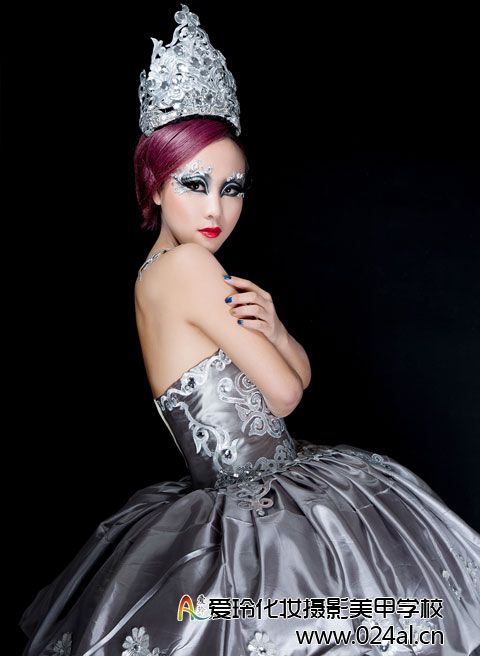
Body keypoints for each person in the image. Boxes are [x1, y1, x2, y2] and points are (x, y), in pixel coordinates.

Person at [19, 5, 480, 655]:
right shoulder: (190, 266)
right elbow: (287, 396)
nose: (216, 207)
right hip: (256, 504)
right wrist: (278, 345)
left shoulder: (153, 274)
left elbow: (295, 377)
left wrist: (277, 328)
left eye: (232, 187)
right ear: (155, 186)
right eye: (194, 183)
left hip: (244, 494)